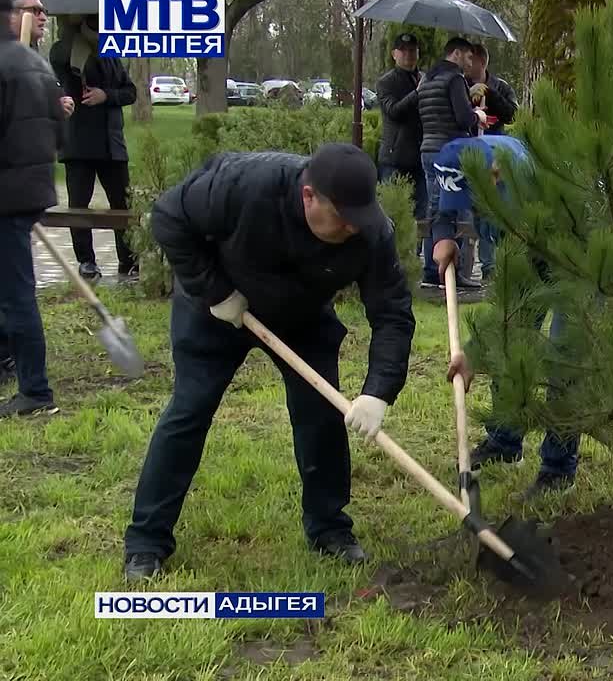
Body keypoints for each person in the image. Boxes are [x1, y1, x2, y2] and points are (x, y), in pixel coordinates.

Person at [120, 144, 432, 581]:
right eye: (340, 216)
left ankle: (329, 528)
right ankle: (146, 542)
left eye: (357, 217)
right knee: (189, 411)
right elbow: (169, 217)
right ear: (309, 196)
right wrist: (213, 291)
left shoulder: (370, 231)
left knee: (321, 416)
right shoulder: (245, 184)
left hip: (300, 318)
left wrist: (379, 391)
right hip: (218, 308)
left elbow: (392, 314)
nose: (350, 227)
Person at [429, 134, 582, 500]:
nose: (473, 211)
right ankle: (504, 439)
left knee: (565, 360)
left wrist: (473, 349)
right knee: (509, 343)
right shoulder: (462, 160)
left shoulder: (529, 184)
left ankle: (559, 468)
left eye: (477, 202)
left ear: (495, 176)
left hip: (575, 260)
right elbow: (442, 207)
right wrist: (443, 235)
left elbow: (523, 289)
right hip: (523, 257)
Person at [0, 0, 63, 417]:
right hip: (31, 188)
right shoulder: (37, 65)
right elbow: (60, 132)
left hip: (6, 194)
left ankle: (36, 392)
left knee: (17, 293)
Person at [48, 14, 138, 281]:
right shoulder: (65, 49)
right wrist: (77, 39)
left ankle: (128, 260)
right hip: (79, 142)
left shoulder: (112, 50)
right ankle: (86, 261)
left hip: (112, 143)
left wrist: (106, 95)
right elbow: (60, 68)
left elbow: (130, 91)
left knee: (122, 205)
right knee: (79, 206)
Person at [418, 37, 488, 290]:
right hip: (449, 152)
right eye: (469, 57)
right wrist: (477, 114)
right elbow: (462, 118)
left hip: (427, 149)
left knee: (433, 208)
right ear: (456, 54)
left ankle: (430, 268)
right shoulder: (454, 78)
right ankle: (448, 272)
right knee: (448, 210)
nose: (471, 62)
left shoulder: (427, 80)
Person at [376, 33, 439, 285]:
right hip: (395, 158)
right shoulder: (386, 82)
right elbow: (394, 111)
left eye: (413, 51)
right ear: (394, 54)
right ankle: (393, 267)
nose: (409, 55)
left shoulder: (423, 78)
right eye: (404, 51)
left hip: (421, 156)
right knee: (393, 216)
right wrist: (418, 92)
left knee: (425, 214)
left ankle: (424, 267)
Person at [465, 42, 520, 281]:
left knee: (493, 206)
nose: (467, 65)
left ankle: (490, 266)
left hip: (496, 153)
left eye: (471, 60)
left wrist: (489, 93)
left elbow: (512, 114)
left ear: (482, 62)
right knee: (470, 207)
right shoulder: (459, 84)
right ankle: (462, 266)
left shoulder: (501, 86)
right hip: (469, 151)